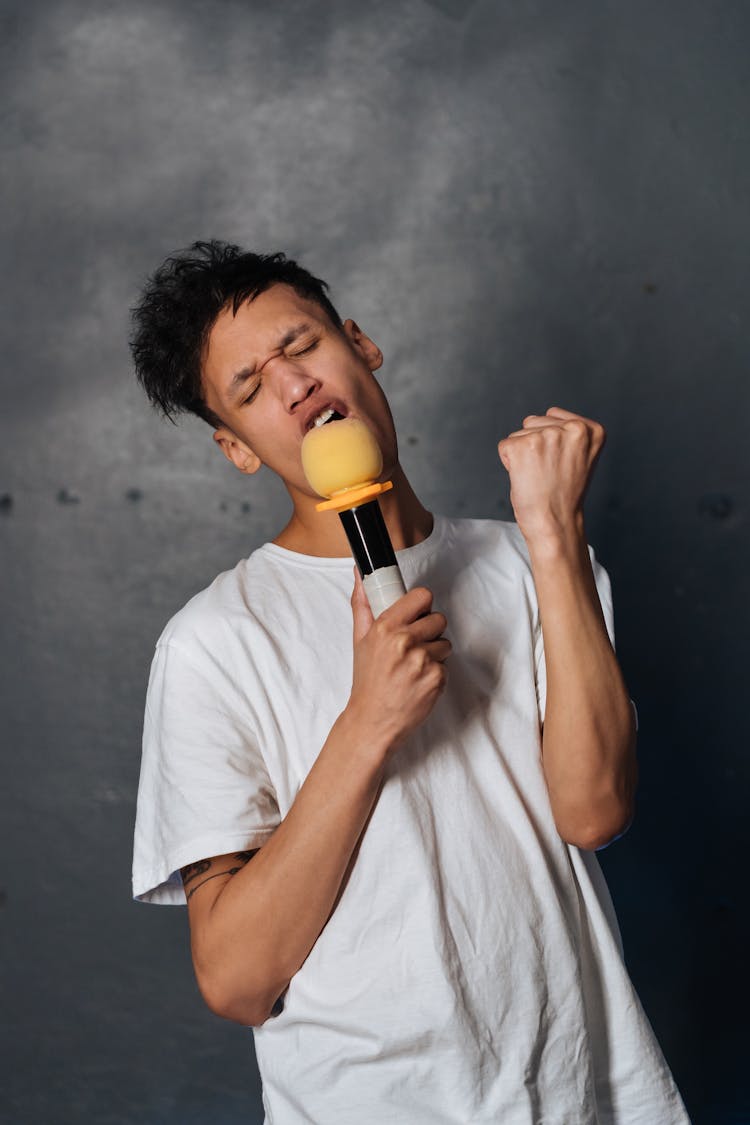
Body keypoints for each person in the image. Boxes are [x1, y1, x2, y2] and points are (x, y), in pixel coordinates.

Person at [131, 241, 689, 1124]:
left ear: (361, 344)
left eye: (303, 344)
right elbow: (236, 979)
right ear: (237, 448)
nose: (293, 384)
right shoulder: (213, 643)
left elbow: (593, 808)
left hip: (582, 1095)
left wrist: (552, 537)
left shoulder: (533, 559)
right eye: (250, 388)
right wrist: (367, 724)